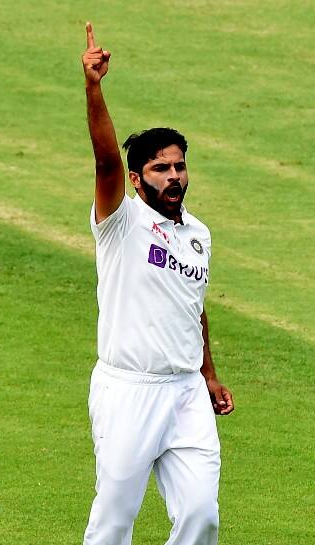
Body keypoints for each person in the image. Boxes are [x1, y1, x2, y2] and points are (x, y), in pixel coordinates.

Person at [81, 22, 234, 545]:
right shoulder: (119, 221)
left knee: (201, 517)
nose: (174, 176)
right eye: (160, 168)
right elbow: (104, 158)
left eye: (180, 166)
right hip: (128, 389)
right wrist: (93, 88)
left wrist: (209, 374)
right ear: (136, 179)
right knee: (114, 522)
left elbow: (192, 303)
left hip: (185, 392)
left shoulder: (198, 234)